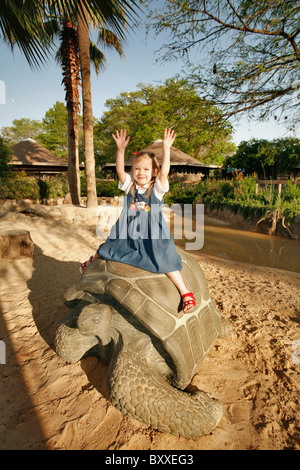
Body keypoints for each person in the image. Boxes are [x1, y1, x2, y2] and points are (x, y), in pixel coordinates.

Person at [80, 128, 196, 313]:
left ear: (153, 172)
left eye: (146, 169)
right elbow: (119, 171)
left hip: (153, 234)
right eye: (137, 169)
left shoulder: (157, 188)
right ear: (133, 170)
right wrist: (120, 149)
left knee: (165, 260)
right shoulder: (130, 187)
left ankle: (185, 292)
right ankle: (90, 261)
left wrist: (166, 148)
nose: (141, 172)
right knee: (108, 247)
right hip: (128, 231)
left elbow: (165, 172)